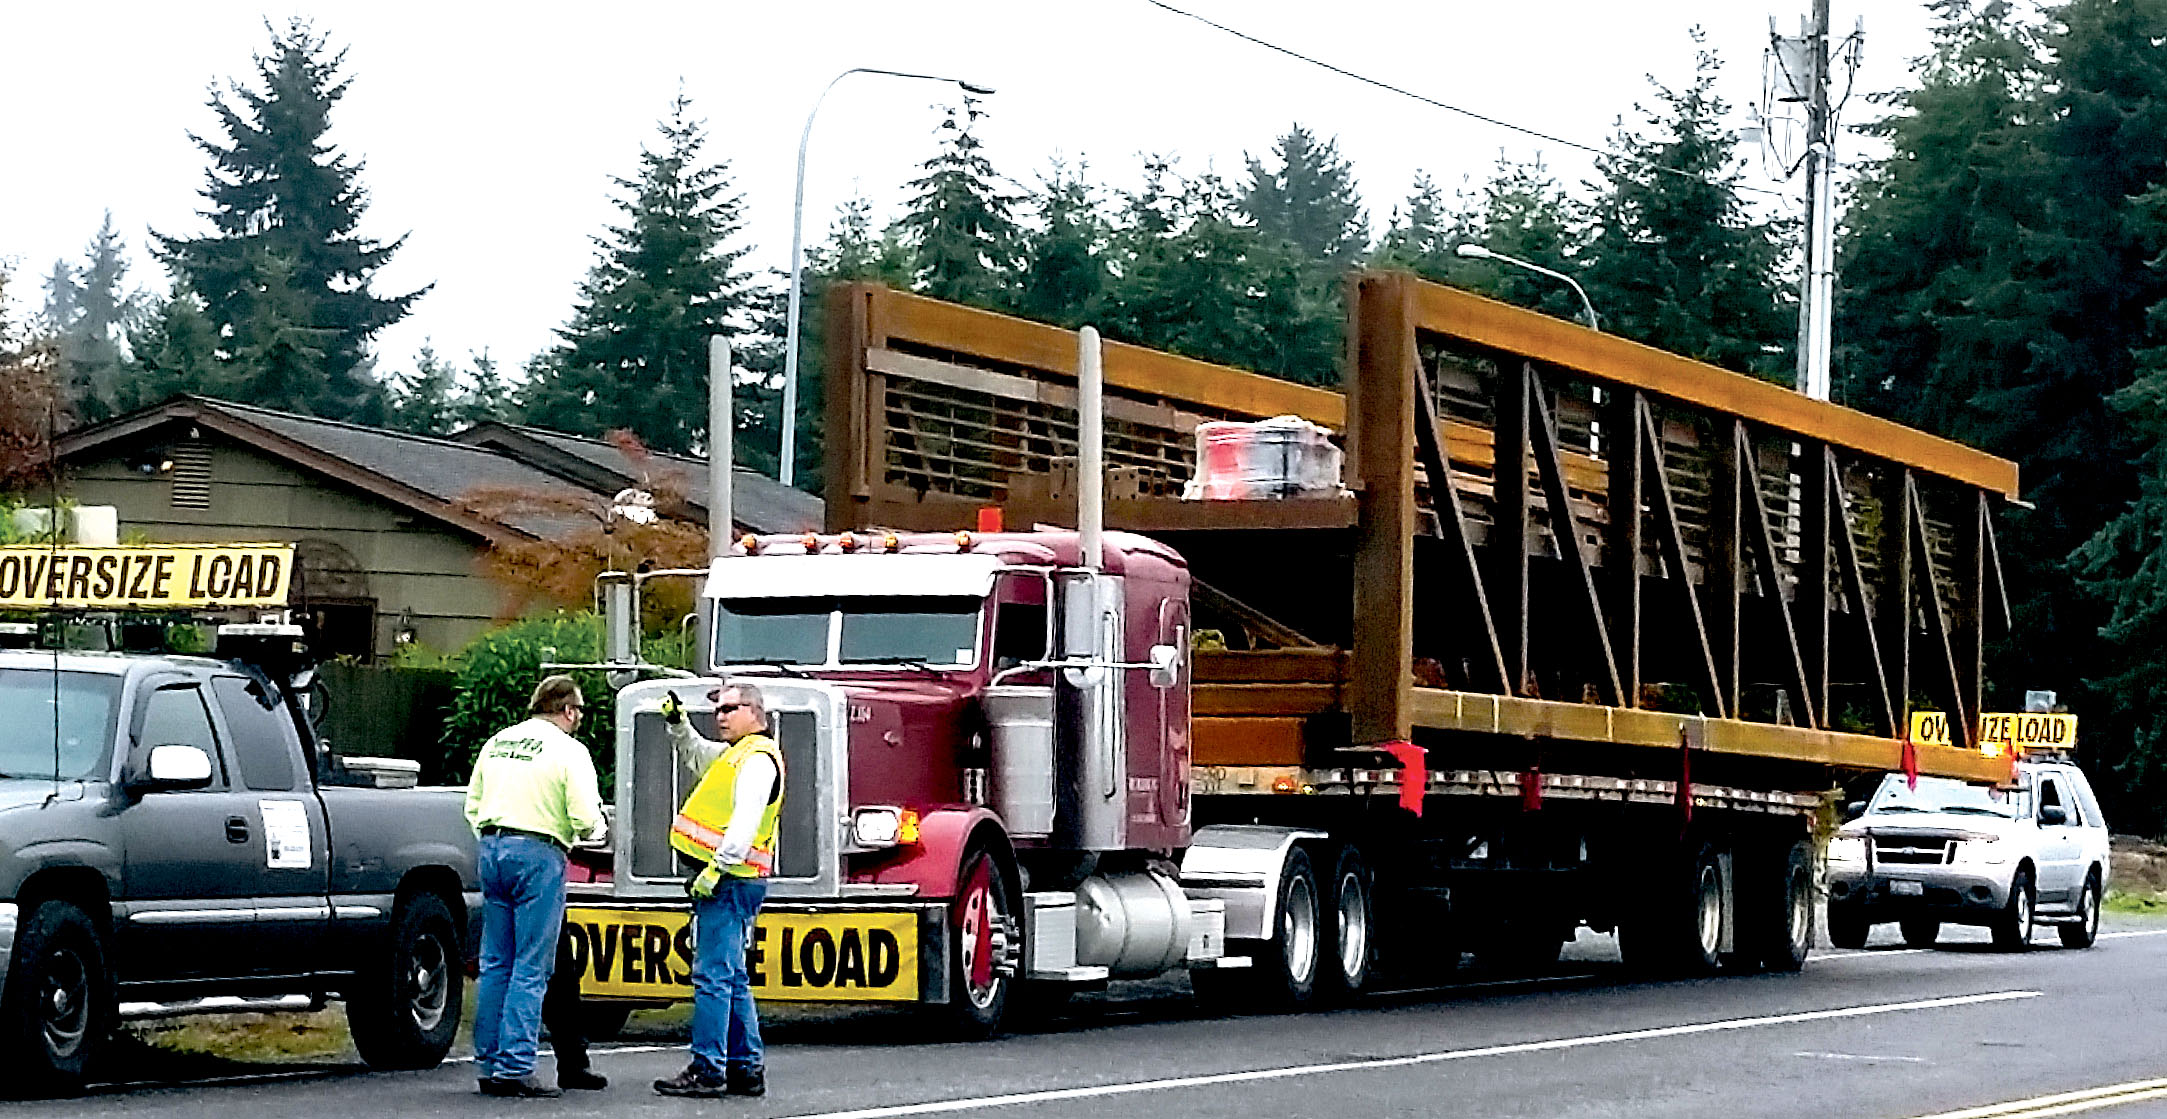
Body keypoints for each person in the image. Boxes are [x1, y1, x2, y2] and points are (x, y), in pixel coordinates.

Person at [465, 675, 607, 1098]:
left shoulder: (499, 741)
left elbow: (473, 803)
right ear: (567, 710)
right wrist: (596, 831)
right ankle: (515, 1065)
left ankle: (488, 1062)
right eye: (578, 711)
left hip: (493, 847)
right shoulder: (569, 750)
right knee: (532, 966)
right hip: (539, 852)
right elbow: (584, 816)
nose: (579, 719)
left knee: (496, 963)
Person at [652, 681, 783, 1099]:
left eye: (730, 709)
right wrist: (678, 724)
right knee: (732, 977)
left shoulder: (757, 760)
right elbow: (696, 753)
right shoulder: (737, 755)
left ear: (755, 713)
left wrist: (716, 869)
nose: (721, 716)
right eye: (718, 711)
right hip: (730, 879)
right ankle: (745, 1068)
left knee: (712, 977)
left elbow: (744, 824)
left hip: (728, 880)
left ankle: (708, 1068)